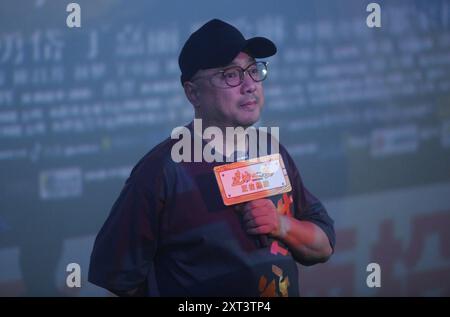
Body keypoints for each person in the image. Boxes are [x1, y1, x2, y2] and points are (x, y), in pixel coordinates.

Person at [88, 18, 335, 297]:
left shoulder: (270, 150)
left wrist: (281, 225)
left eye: (253, 71)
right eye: (230, 75)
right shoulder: (162, 170)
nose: (250, 85)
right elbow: (117, 275)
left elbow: (323, 245)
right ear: (193, 93)